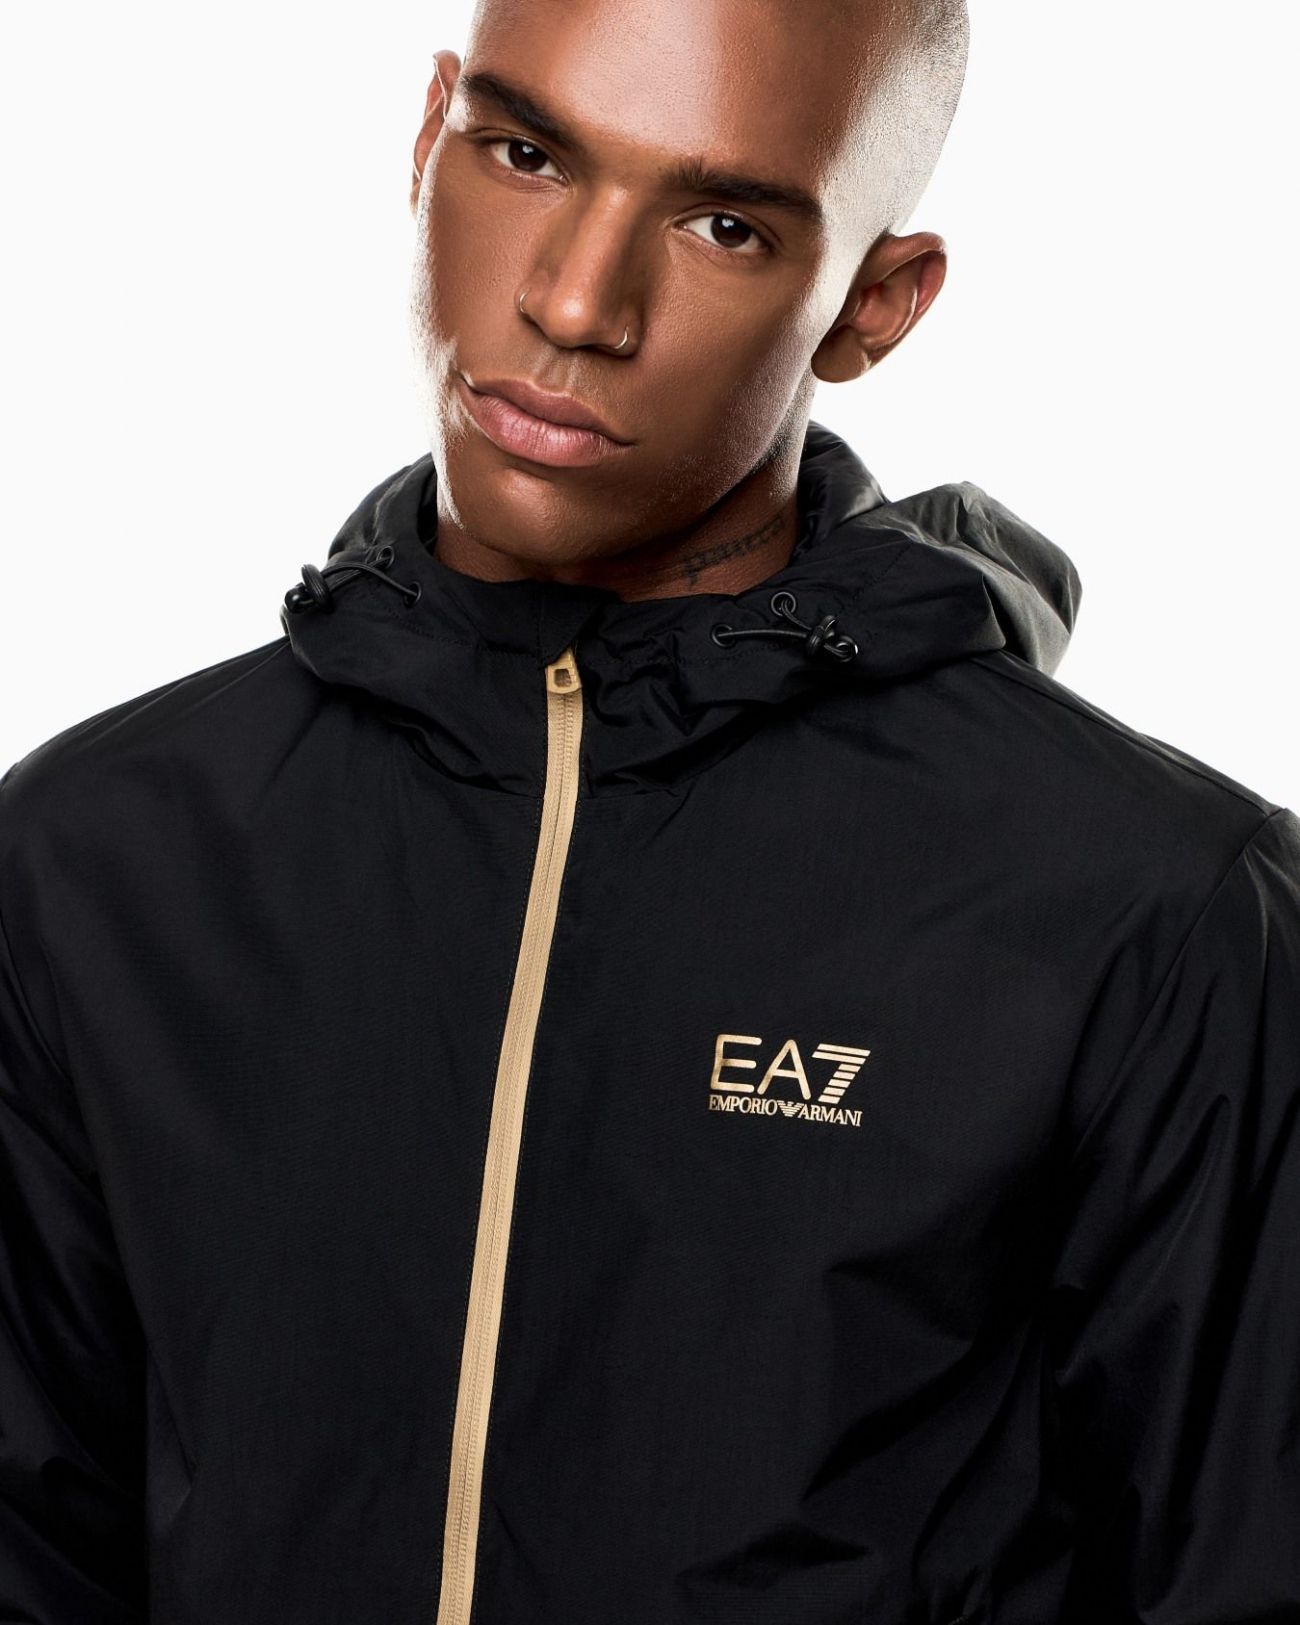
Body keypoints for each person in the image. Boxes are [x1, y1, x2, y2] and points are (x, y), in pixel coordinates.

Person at [1, 0, 1296, 1620]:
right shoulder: (98, 860)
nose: (573, 301)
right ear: (428, 136)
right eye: (526, 153)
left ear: (875, 304)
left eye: (725, 224)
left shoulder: (1157, 911)